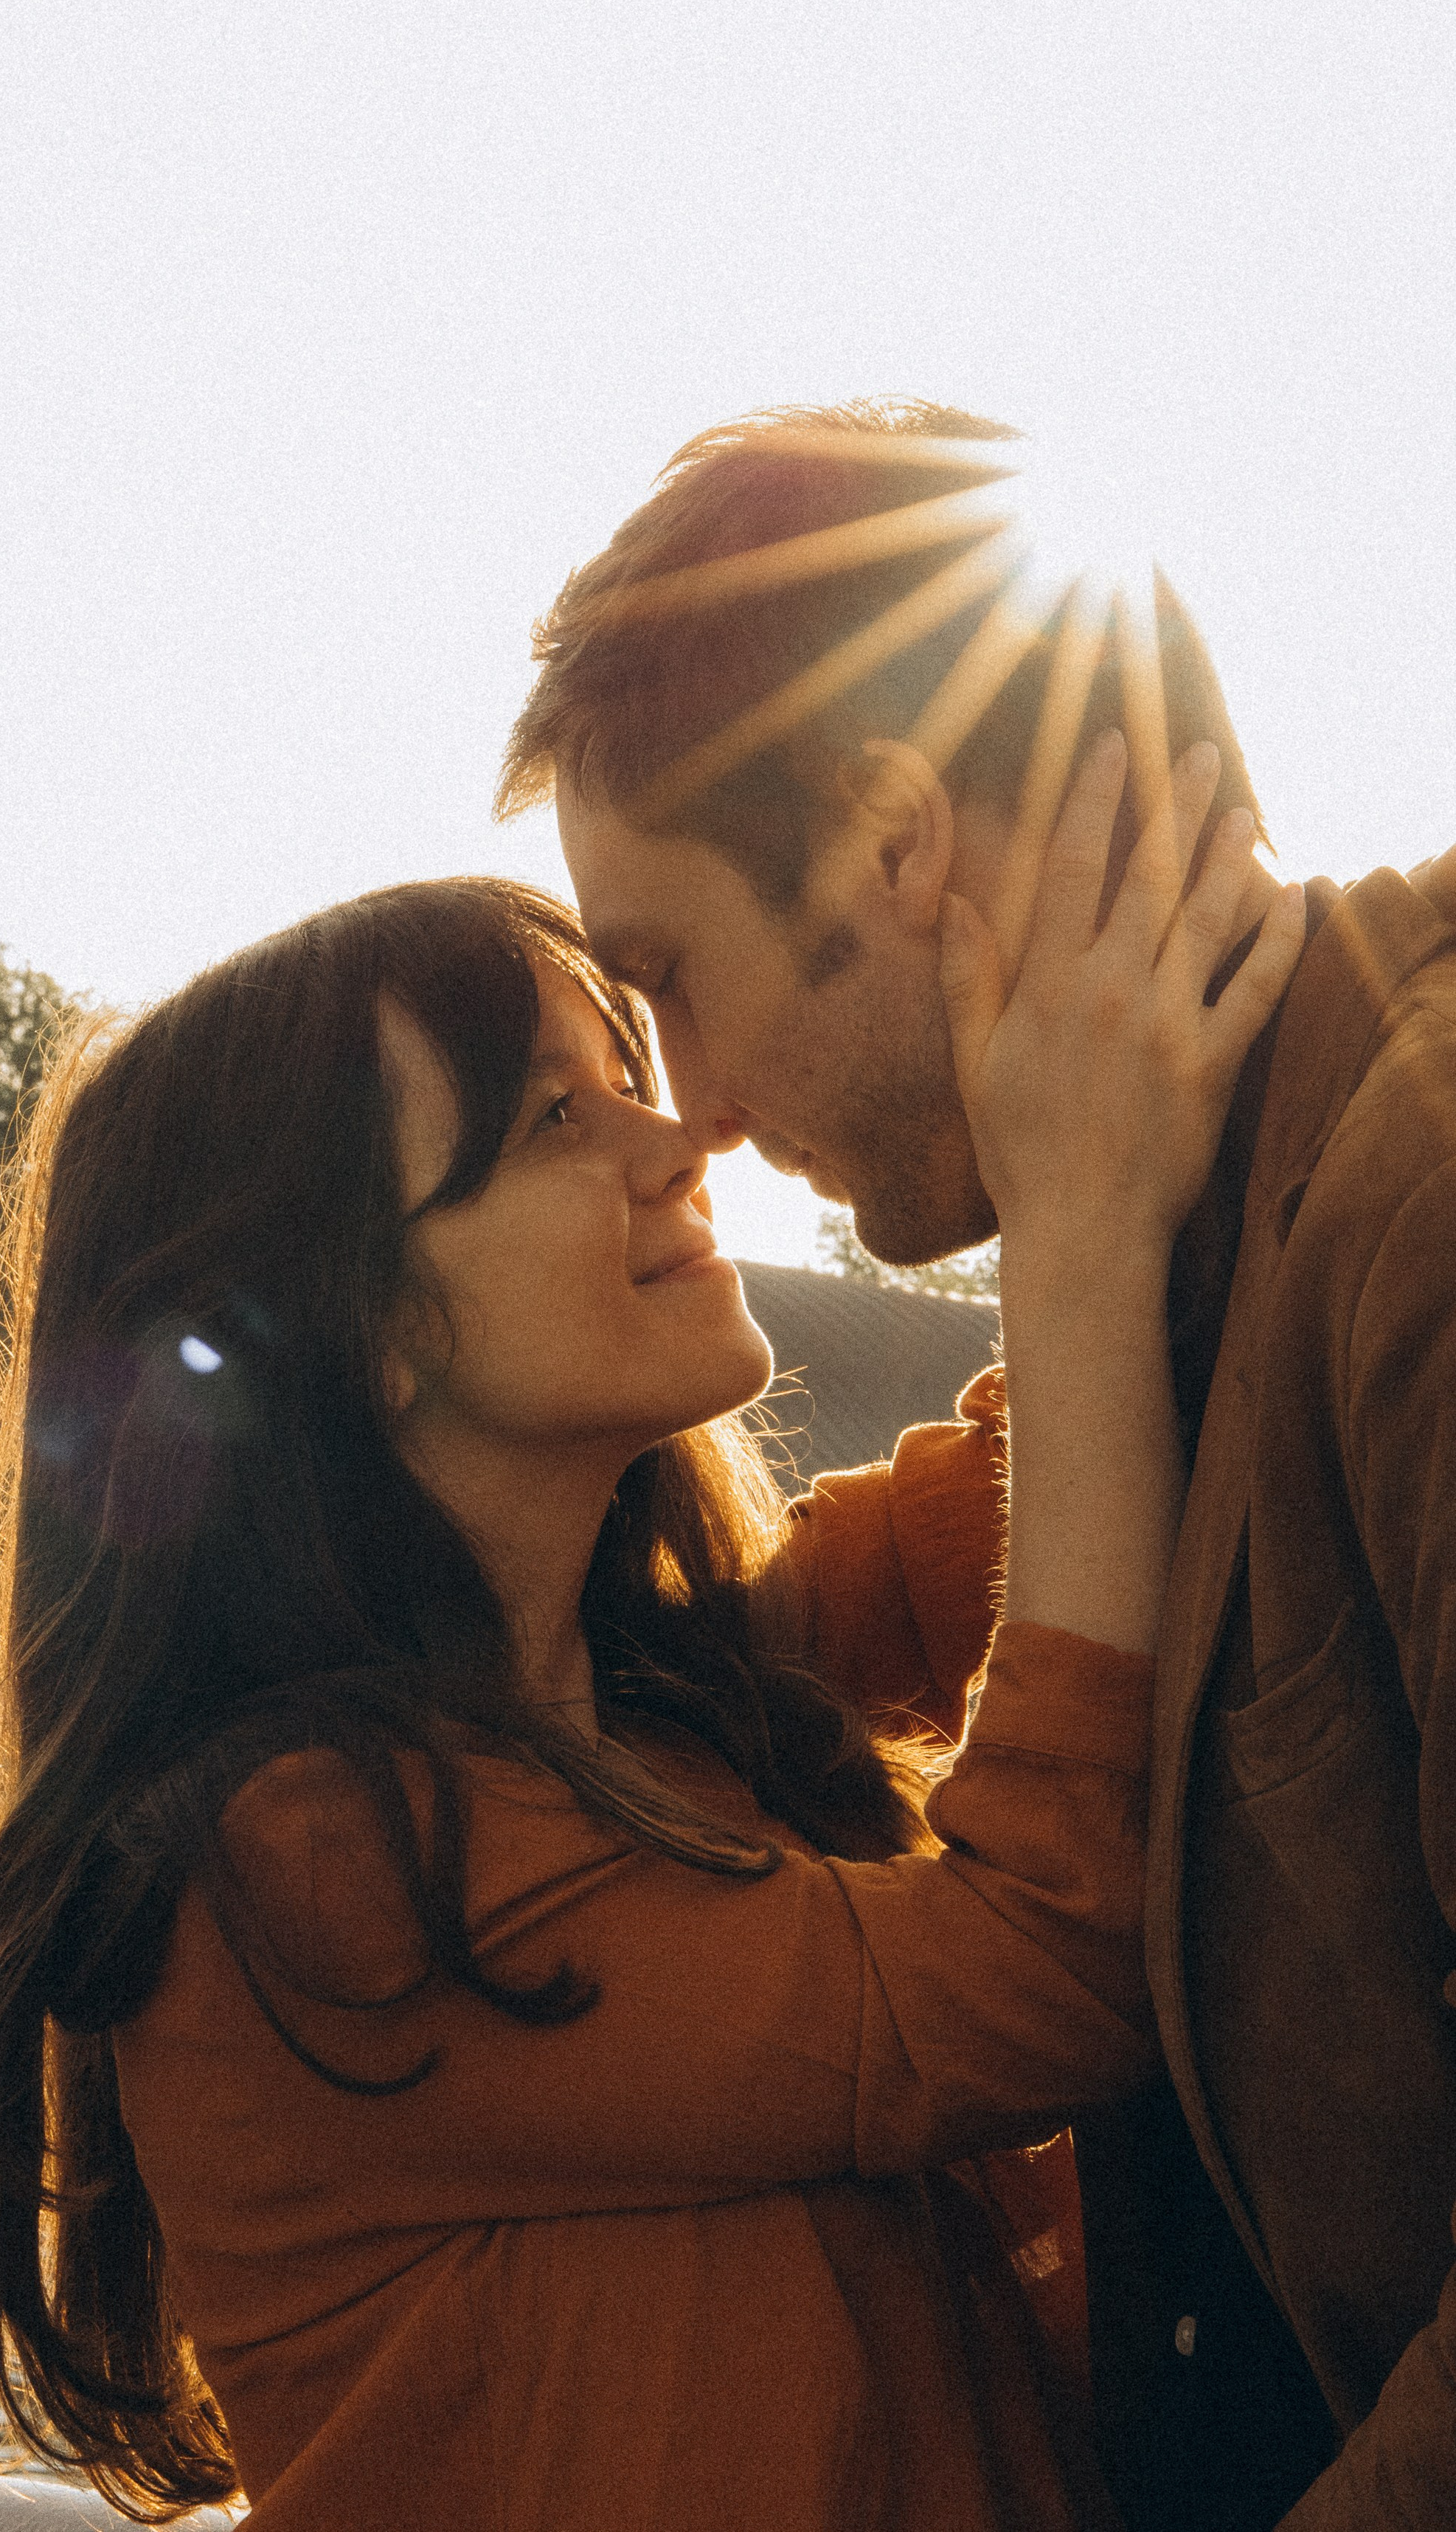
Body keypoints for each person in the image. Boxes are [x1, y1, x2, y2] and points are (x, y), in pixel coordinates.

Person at [0, 806, 1294, 2530]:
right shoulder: (311, 1870)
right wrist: (1076, 1232)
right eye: (560, 1113)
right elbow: (1045, 1965)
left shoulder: (651, 1712)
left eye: (633, 1066)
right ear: (363, 1328)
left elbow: (1037, 1498)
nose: (684, 1134)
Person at [499, 395, 1456, 2530]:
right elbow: (889, 1576)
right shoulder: (1181, 1263)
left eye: (663, 976)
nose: (699, 1110)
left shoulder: (1414, 1200)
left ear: (888, 839)